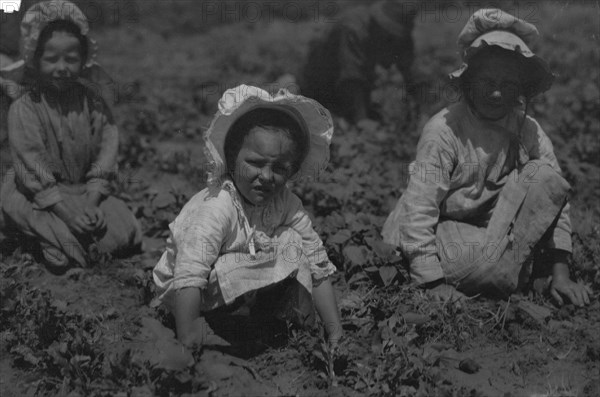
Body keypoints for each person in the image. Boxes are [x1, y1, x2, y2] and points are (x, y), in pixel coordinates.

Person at [382, 9, 591, 306]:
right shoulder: (444, 130)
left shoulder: (527, 129)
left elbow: (555, 197)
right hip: (441, 227)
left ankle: (513, 271)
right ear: (468, 81)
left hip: (490, 229)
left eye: (508, 85)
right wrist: (432, 282)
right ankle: (504, 273)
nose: (496, 94)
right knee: (485, 265)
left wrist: (561, 272)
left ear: (521, 90)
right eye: (486, 82)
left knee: (545, 175)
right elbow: (420, 208)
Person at [152, 85, 343, 349]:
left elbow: (317, 263)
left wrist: (334, 329)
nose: (266, 177)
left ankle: (283, 328)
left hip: (238, 280)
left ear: (293, 170)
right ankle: (214, 328)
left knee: (294, 241)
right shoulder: (216, 207)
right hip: (186, 296)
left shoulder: (286, 203)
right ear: (231, 159)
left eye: (279, 168)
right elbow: (189, 273)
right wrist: (187, 334)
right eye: (254, 163)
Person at [0, 0, 142, 270]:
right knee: (35, 218)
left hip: (82, 190)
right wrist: (66, 212)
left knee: (126, 229)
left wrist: (91, 203)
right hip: (37, 195)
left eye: (71, 59)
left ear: (84, 59)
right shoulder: (24, 108)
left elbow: (106, 153)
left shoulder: (94, 102)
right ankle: (51, 241)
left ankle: (61, 240)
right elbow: (31, 166)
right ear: (34, 59)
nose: (62, 67)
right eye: (51, 59)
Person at [299, 0, 416, 123]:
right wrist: (362, 120)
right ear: (378, 24)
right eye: (389, 37)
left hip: (355, 80)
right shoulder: (352, 28)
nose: (393, 42)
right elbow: (351, 78)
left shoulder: (400, 31)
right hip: (319, 82)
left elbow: (411, 70)